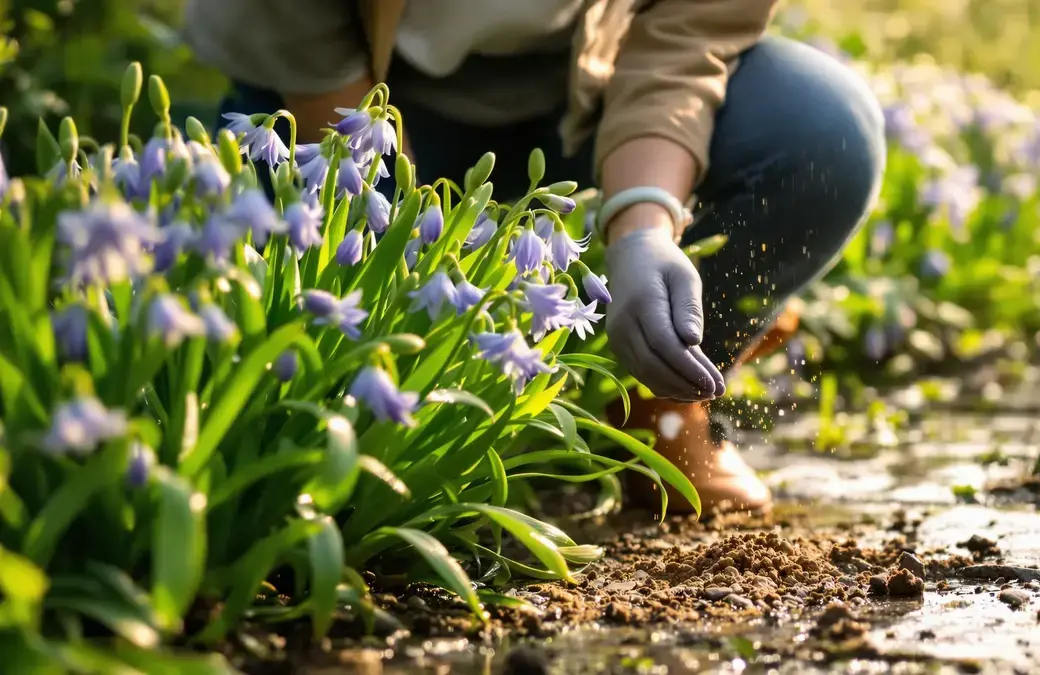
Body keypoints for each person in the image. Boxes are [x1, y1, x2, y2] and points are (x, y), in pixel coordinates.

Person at [184, 0, 885, 516]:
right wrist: (404, 274)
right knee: (289, 267)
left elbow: (687, 34)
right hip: (347, 92)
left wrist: (644, 224)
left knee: (822, 135)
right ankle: (384, 459)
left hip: (592, 83)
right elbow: (335, 126)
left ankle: (659, 403)